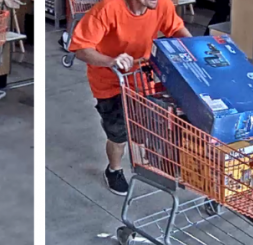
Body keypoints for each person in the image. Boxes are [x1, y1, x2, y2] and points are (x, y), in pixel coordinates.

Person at [68, 0, 191, 196]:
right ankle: (114, 170)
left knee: (154, 121)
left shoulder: (161, 5)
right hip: (110, 80)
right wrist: (111, 61)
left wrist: (194, 50)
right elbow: (81, 48)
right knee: (118, 133)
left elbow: (176, 30)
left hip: (141, 76)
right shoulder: (107, 9)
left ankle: (157, 160)